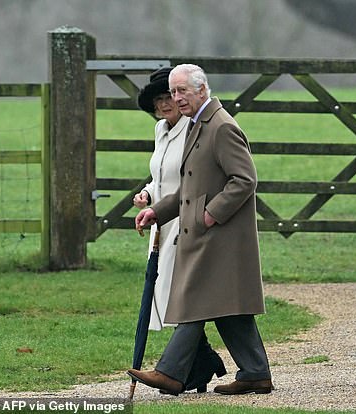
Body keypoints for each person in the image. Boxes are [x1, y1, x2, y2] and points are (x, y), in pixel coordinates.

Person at [130, 64, 273, 395]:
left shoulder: (221, 127)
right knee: (225, 306)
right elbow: (188, 189)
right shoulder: (197, 125)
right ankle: (255, 373)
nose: (177, 98)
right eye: (173, 91)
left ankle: (171, 372)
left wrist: (211, 214)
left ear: (202, 89)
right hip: (204, 233)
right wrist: (157, 211)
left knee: (195, 298)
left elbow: (245, 179)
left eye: (182, 91)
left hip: (220, 235)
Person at [132, 67, 227, 394]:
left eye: (168, 96)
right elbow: (161, 174)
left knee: (182, 294)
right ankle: (203, 363)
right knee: (174, 293)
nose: (164, 104)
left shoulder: (195, 128)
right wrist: (147, 193)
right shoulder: (161, 130)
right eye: (157, 99)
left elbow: (195, 177)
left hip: (188, 219)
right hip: (161, 218)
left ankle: (185, 367)